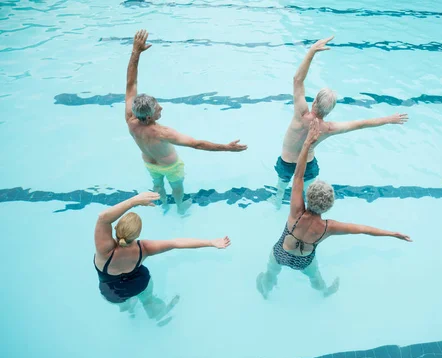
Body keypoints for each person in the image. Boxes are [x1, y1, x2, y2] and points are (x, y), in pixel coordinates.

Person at [257, 120, 412, 299]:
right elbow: (363, 230)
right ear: (329, 206)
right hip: (304, 260)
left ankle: (265, 290)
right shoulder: (328, 227)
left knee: (270, 272)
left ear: (308, 197)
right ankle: (324, 291)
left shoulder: (296, 213)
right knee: (315, 277)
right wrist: (392, 234)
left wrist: (307, 143)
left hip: (281, 252)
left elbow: (298, 176)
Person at [271, 35, 409, 208]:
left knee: (280, 188)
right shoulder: (329, 128)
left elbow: (297, 80)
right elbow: (362, 123)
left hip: (287, 162)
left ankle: (277, 203)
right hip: (307, 165)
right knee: (309, 196)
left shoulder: (301, 114)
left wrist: (312, 52)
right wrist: (388, 119)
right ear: (330, 111)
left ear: (314, 102)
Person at [125, 30, 248, 215]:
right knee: (177, 188)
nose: (161, 108)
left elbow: (130, 84)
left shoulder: (130, 119)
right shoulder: (163, 133)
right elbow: (197, 144)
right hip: (170, 166)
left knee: (157, 185)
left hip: (149, 163)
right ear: (149, 117)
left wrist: (136, 52)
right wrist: (227, 147)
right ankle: (180, 207)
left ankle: (163, 206)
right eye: (157, 108)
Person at [94, 191, 231, 323]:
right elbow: (176, 243)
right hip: (140, 284)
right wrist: (211, 242)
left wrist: (133, 201)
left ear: (116, 228)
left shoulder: (104, 250)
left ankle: (129, 310)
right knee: (148, 301)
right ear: (137, 234)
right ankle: (156, 315)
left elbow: (103, 217)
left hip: (114, 292)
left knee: (122, 305)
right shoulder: (144, 249)